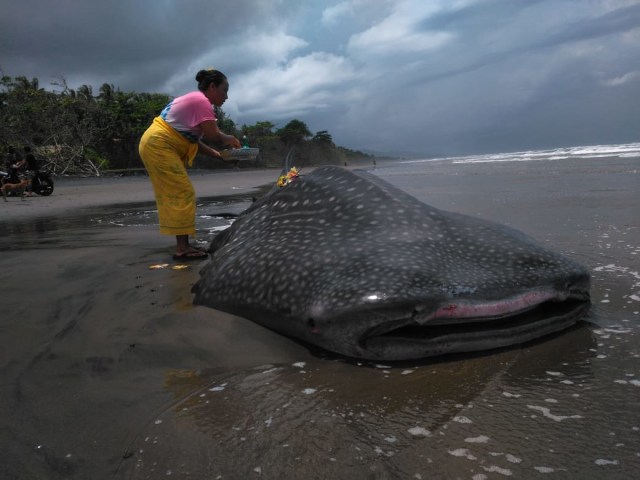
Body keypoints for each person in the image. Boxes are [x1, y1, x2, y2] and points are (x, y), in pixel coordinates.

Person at [138, 68, 241, 260]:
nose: (226, 96)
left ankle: (184, 244)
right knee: (182, 192)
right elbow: (213, 136)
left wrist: (220, 156)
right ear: (212, 87)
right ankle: (182, 249)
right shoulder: (201, 102)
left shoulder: (195, 99)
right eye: (224, 90)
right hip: (159, 145)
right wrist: (231, 139)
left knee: (179, 192)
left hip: (157, 143)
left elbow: (193, 141)